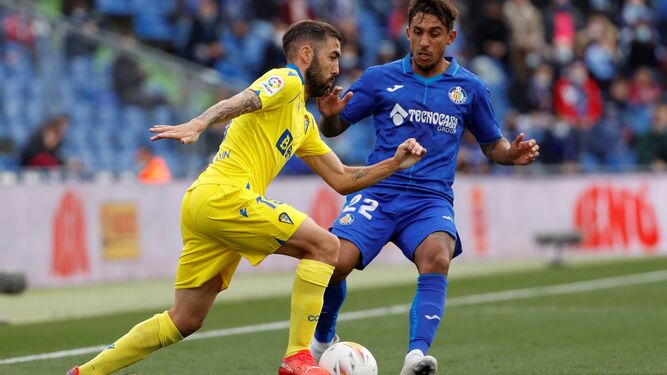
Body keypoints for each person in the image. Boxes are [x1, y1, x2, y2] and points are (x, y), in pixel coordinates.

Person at [67, 20, 426, 375]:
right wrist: (200, 122)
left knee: (185, 319)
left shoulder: (301, 121)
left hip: (204, 205)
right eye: (332, 57)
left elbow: (343, 178)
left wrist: (394, 164)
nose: (336, 67)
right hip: (225, 195)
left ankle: (86, 372)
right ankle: (298, 357)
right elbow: (243, 99)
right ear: (305, 53)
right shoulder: (287, 80)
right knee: (326, 247)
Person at [308, 1, 540, 375]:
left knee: (438, 256)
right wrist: (329, 117)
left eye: (434, 34)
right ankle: (321, 341)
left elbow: (491, 145)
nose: (424, 42)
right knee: (335, 263)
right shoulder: (379, 78)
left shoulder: (470, 89)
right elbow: (334, 129)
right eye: (417, 32)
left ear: (450, 37)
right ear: (407, 33)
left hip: (428, 201)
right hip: (377, 192)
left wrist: (511, 153)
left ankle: (415, 358)